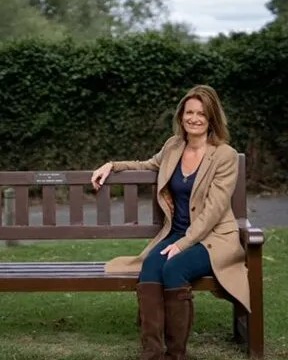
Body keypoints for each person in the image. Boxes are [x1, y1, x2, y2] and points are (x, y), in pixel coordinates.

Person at [91, 84, 250, 360]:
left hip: (213, 238)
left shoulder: (224, 155)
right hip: (176, 232)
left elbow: (214, 210)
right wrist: (112, 165)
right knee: (151, 267)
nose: (194, 118)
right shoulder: (173, 146)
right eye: (189, 112)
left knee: (174, 268)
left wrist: (185, 243)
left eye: (201, 113)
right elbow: (147, 165)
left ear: (211, 118)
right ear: (181, 116)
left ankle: (177, 354)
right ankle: (152, 353)